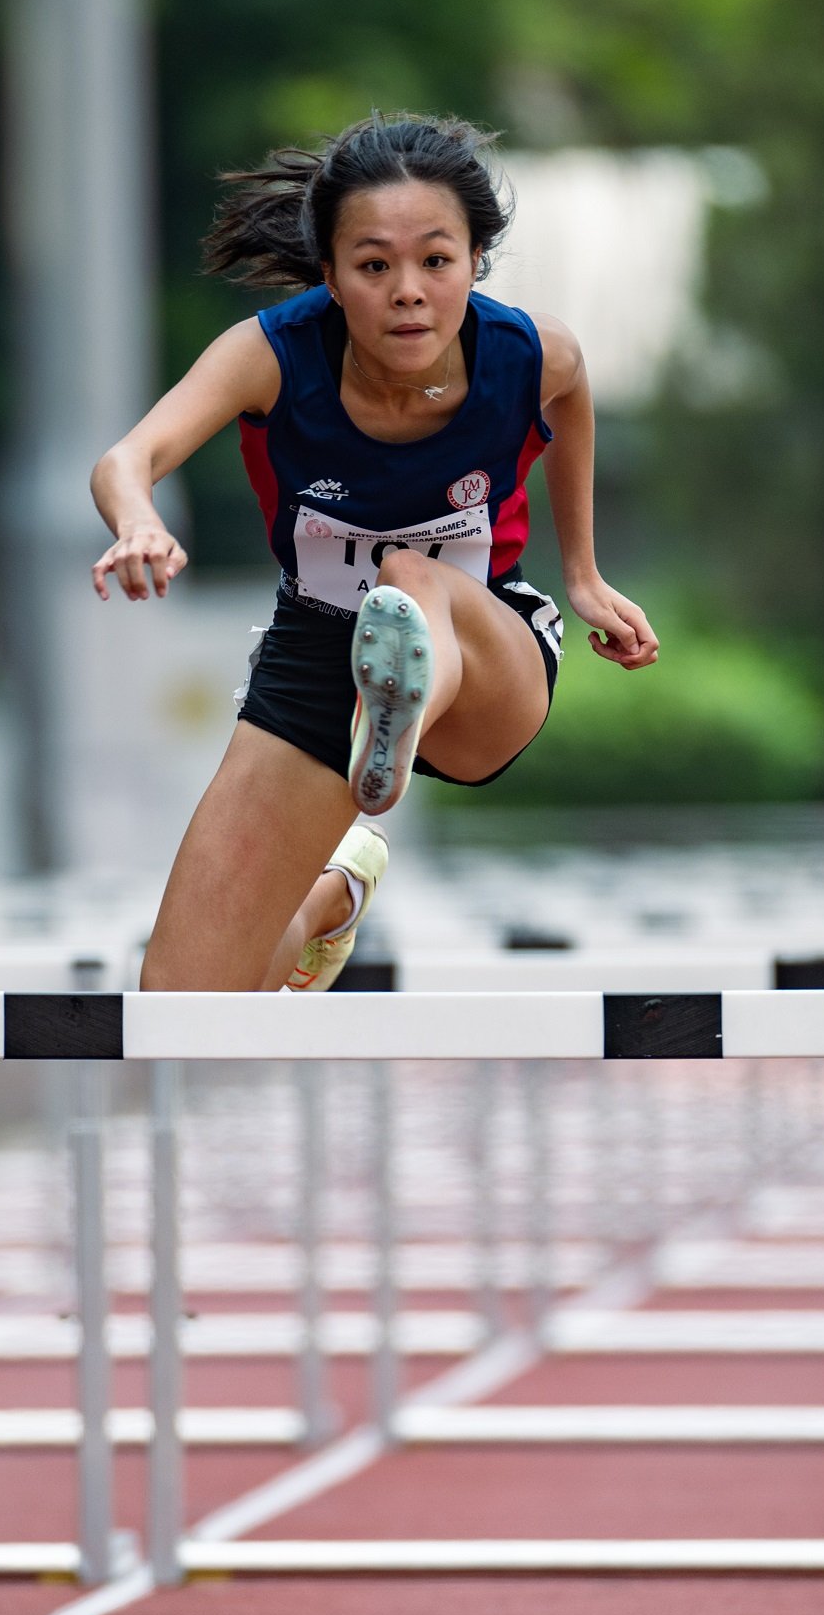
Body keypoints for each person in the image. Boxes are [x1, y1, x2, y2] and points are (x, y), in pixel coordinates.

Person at [88, 112, 659, 992]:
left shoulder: (525, 353)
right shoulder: (271, 355)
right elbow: (128, 458)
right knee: (183, 995)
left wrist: (581, 573)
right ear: (331, 275)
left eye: (436, 260)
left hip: (481, 650)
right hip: (320, 659)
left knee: (408, 577)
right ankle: (330, 896)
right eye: (373, 266)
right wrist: (137, 520)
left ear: (474, 263)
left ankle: (406, 689)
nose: (407, 291)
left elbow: (574, 390)